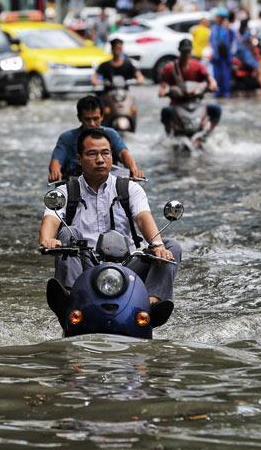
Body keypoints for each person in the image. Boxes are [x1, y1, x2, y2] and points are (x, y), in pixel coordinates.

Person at [39, 128, 180, 306]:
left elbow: (143, 218)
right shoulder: (64, 192)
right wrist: (47, 240)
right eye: (92, 154)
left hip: (127, 266)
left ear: (112, 157)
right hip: (85, 266)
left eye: (105, 153)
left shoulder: (130, 188)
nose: (99, 159)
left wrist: (157, 245)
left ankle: (152, 304)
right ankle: (69, 299)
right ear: (79, 159)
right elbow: (50, 220)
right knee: (69, 233)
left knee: (172, 246)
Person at [48, 95, 144, 182]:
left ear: (102, 116)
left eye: (95, 119)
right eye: (87, 119)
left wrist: (133, 169)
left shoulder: (111, 134)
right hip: (75, 185)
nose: (92, 124)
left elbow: (123, 153)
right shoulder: (67, 138)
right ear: (79, 118)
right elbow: (57, 160)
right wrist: (55, 172)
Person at [158, 39, 221, 140]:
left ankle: (208, 133)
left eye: (187, 51)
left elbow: (210, 80)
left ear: (191, 51)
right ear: (179, 51)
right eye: (184, 51)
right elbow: (162, 85)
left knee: (216, 109)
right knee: (165, 112)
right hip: (177, 104)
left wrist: (212, 85)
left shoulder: (198, 66)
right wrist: (163, 91)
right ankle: (169, 135)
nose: (186, 54)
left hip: (196, 102)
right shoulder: (170, 68)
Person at [236, 19, 261, 98]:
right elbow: (253, 44)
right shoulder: (248, 32)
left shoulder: (238, 32)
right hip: (246, 56)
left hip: (239, 56)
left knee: (256, 70)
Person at [209, 11, 235, 98]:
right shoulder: (214, 28)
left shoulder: (228, 29)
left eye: (218, 17)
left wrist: (228, 29)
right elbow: (211, 41)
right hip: (216, 56)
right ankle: (217, 91)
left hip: (225, 56)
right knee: (217, 75)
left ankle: (226, 92)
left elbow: (232, 41)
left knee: (225, 75)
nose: (216, 18)